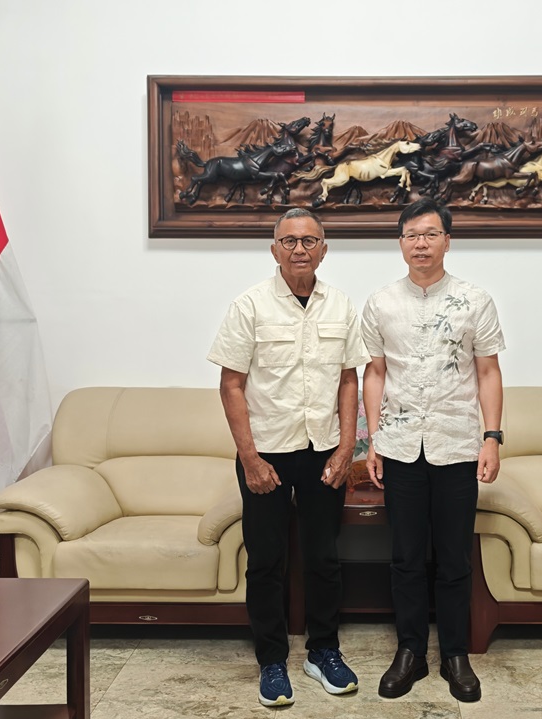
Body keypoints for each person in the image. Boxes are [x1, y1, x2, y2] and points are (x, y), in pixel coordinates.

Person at [207, 208, 370, 707]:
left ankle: (323, 652)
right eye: (290, 241)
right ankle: (272, 661)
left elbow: (348, 379)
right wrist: (250, 459)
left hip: (323, 452)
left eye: (310, 241)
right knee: (266, 561)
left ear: (324, 249)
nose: (300, 249)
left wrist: (346, 448)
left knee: (323, 557)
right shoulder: (250, 306)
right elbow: (231, 385)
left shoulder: (340, 305)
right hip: (267, 456)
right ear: (274, 249)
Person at [361, 198, 505, 703]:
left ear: (447, 240)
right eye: (411, 235)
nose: (420, 244)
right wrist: (373, 440)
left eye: (430, 234)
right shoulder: (381, 302)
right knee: (404, 557)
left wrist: (492, 437)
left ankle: (455, 654)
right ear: (400, 243)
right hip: (400, 446)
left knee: (453, 558)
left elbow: (487, 371)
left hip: (457, 444)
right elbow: (375, 373)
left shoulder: (474, 300)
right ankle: (410, 651)